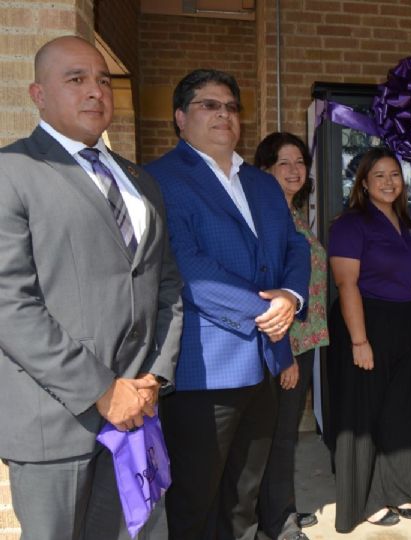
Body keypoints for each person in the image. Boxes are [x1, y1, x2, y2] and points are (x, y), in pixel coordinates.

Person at [0, 36, 183, 540]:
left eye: (103, 80)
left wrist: (153, 378)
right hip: (56, 423)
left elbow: (166, 285)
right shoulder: (11, 173)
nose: (95, 91)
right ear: (38, 94)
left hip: (137, 414)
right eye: (75, 79)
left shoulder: (140, 182)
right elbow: (9, 306)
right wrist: (102, 390)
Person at [145, 69, 310, 540]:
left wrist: (291, 297)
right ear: (180, 118)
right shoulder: (160, 179)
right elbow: (184, 266)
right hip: (205, 369)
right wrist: (266, 309)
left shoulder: (260, 183)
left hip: (265, 363)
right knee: (195, 496)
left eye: (231, 107)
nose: (223, 114)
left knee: (245, 494)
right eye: (208, 105)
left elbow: (295, 247)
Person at [328, 147, 411, 532]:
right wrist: (359, 340)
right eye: (379, 176)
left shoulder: (410, 224)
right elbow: (345, 283)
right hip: (364, 319)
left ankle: (400, 488)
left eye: (395, 175)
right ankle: (364, 500)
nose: (389, 182)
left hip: (404, 323)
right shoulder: (351, 224)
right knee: (362, 416)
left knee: (399, 410)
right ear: (364, 184)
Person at [254, 132, 330, 540]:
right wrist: (283, 355)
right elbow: (267, 295)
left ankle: (278, 510)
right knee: (278, 437)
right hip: (283, 347)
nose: (294, 169)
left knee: (281, 436)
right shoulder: (263, 220)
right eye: (283, 162)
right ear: (264, 169)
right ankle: (279, 523)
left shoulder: (293, 215)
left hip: (304, 343)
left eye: (300, 161)